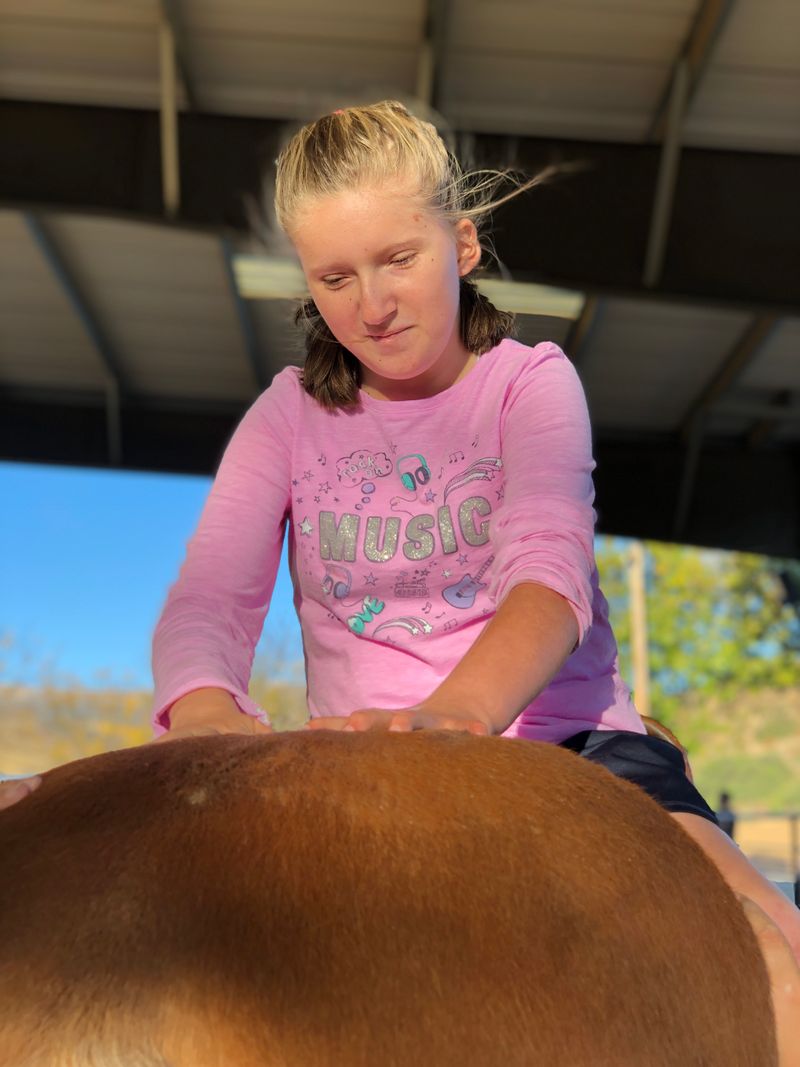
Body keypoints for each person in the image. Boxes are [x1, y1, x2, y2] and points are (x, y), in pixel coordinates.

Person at [2, 101, 798, 965]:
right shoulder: (288, 415)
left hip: (572, 738)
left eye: (398, 259)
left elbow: (550, 575)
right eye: (336, 278)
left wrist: (457, 713)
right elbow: (211, 594)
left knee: (766, 940)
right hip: (355, 752)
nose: (372, 305)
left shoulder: (528, 385)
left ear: (459, 246)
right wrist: (201, 709)